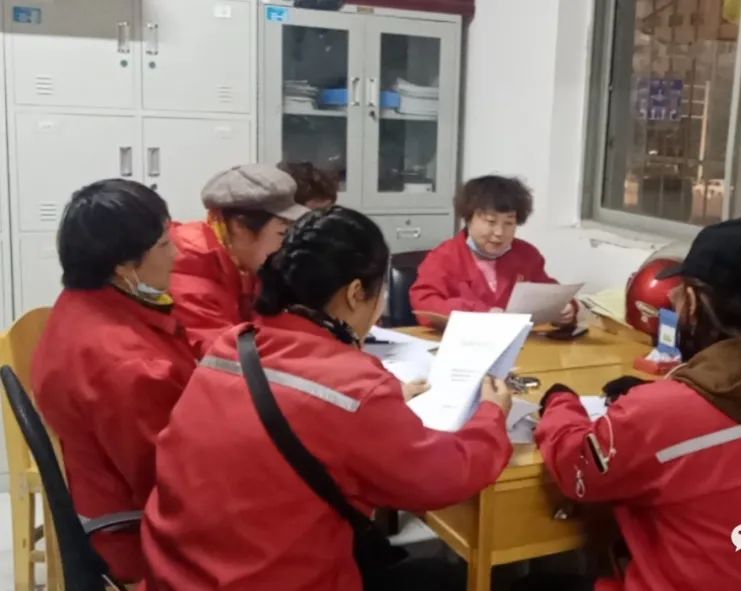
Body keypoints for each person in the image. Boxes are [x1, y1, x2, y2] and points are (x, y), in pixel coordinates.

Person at [142, 206, 514, 591]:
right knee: (446, 578)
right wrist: (491, 416)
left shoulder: (233, 345)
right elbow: (442, 479)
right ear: (355, 293)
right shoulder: (353, 389)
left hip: (176, 575)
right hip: (276, 579)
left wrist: (376, 404)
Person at [533, 220, 741, 591]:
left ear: (692, 302)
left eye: (677, 297)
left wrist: (560, 402)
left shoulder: (660, 413)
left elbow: (577, 469)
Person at [31, 180, 197, 582]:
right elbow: (167, 487)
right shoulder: (129, 366)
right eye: (164, 244)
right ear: (123, 265)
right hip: (134, 539)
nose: (177, 254)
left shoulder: (81, 304)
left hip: (106, 500)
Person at [170, 163, 308, 355]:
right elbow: (228, 356)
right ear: (239, 226)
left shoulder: (242, 259)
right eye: (283, 233)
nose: (288, 245)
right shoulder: (189, 273)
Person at [410, 175, 576, 328]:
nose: (499, 232)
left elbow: (549, 293)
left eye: (509, 223)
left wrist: (567, 309)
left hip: (520, 344)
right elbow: (424, 304)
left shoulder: (527, 255)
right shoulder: (443, 257)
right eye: (490, 221)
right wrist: (480, 313)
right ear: (468, 218)